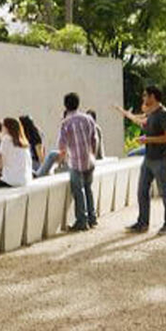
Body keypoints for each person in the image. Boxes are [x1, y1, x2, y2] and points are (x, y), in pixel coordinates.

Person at [119, 85, 166, 233]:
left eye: (145, 95)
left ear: (152, 97)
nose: (143, 98)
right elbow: (141, 121)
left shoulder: (164, 114)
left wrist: (147, 140)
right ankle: (143, 223)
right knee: (142, 191)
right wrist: (125, 113)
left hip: (160, 160)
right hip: (148, 159)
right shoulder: (151, 114)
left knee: (165, 192)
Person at [57, 92, 99, 230]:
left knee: (78, 191)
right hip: (89, 160)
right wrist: (92, 153)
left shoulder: (65, 123)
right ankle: (92, 218)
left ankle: (82, 221)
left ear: (65, 105)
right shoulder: (88, 119)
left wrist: (61, 161)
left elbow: (62, 147)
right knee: (88, 189)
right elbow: (95, 139)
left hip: (75, 162)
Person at [0, 117, 32, 189]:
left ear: (7, 127)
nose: (1, 127)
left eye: (3, 125)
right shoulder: (24, 142)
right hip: (25, 180)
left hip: (11, 181)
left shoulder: (6, 139)